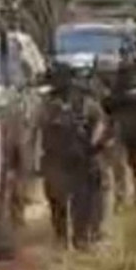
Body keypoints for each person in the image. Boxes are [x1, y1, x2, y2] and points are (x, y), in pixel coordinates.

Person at [39, 61, 107, 249]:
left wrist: (93, 146)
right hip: (59, 158)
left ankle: (78, 238)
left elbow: (100, 123)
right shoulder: (48, 103)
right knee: (59, 200)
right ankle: (67, 238)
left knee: (79, 201)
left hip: (78, 157)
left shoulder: (83, 102)